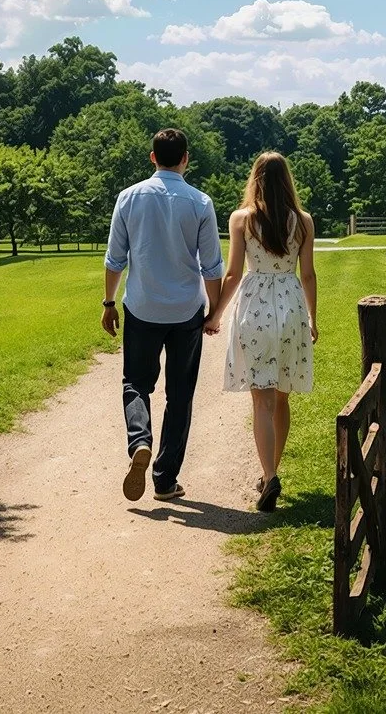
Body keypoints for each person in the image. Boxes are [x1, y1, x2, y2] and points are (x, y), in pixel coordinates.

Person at [103, 126, 224, 503]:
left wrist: (108, 302)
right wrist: (214, 312)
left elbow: (115, 259)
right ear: (186, 158)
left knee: (136, 383)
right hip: (186, 311)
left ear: (153, 157)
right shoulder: (200, 202)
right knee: (180, 394)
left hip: (142, 307)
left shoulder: (128, 197)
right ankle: (164, 479)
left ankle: (139, 440)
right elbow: (212, 268)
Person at [205, 151, 318, 512]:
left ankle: (269, 476)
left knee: (262, 399)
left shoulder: (242, 219)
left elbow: (234, 273)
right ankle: (271, 472)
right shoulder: (303, 221)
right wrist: (313, 319)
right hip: (290, 306)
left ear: (255, 179)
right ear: (287, 181)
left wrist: (215, 315)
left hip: (255, 307)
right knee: (282, 397)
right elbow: (308, 274)